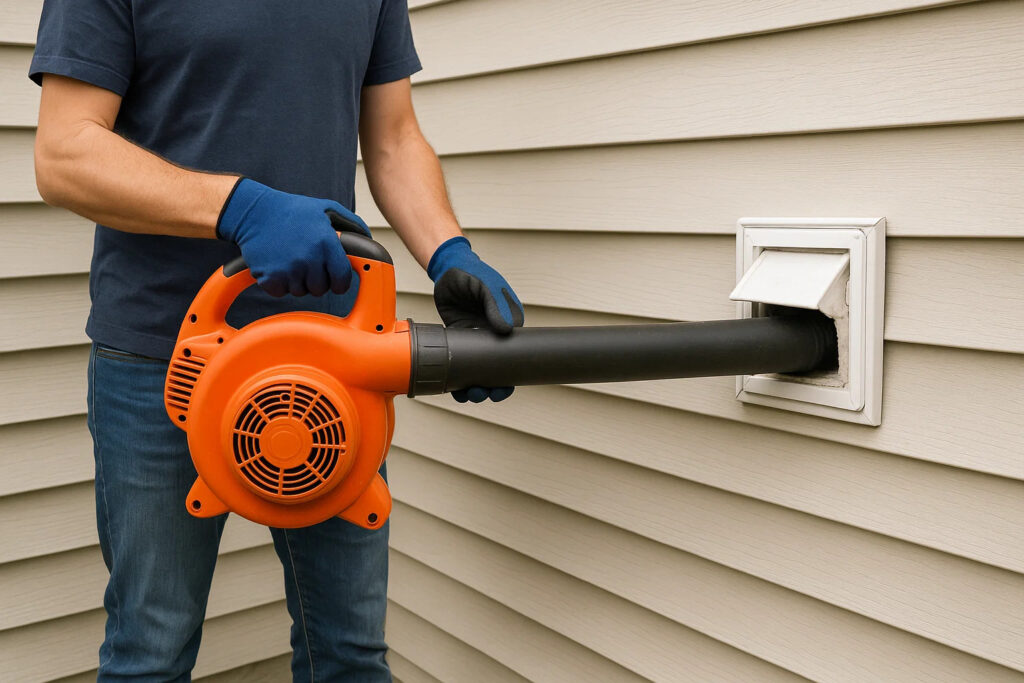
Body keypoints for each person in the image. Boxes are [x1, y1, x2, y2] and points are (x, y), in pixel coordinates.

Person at [29, 1, 524, 680]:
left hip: (331, 364)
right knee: (151, 650)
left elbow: (393, 138)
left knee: (349, 654)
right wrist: (240, 206)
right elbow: (64, 152)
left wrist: (449, 253)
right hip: (165, 362)